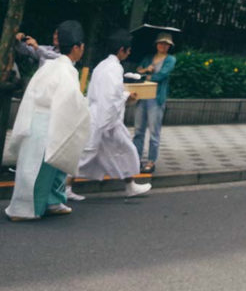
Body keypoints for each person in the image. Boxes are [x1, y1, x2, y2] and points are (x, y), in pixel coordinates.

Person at [5, 20, 91, 221]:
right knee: (40, 170)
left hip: (36, 120)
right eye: (82, 46)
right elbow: (70, 101)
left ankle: (51, 202)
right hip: (49, 124)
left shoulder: (51, 66)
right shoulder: (66, 70)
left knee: (46, 167)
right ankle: (23, 210)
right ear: (77, 47)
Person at [76, 30, 153, 198]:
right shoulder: (114, 69)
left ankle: (130, 184)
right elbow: (111, 97)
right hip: (105, 118)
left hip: (101, 116)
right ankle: (63, 186)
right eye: (128, 49)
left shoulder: (103, 65)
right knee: (91, 153)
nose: (129, 52)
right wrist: (127, 96)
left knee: (118, 150)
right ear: (121, 50)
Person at [133, 32, 176, 172]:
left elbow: (162, 75)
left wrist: (146, 77)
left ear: (169, 46)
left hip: (156, 99)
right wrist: (146, 70)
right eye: (160, 43)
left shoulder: (170, 59)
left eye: (166, 44)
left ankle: (151, 161)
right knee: (138, 130)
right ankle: (136, 158)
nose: (163, 46)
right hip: (142, 97)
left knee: (154, 131)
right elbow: (138, 71)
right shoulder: (148, 58)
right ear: (156, 44)